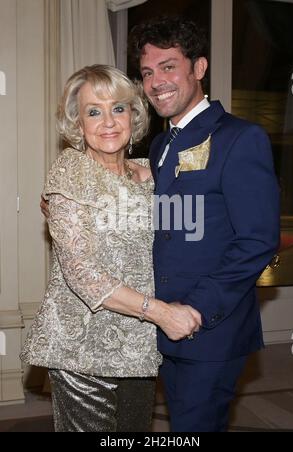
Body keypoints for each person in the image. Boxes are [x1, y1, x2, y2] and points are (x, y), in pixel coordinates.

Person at [21, 64, 201, 432]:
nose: (108, 121)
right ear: (78, 122)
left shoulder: (151, 172)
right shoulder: (70, 172)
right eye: (93, 111)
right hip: (83, 347)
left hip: (139, 345)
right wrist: (163, 314)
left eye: (118, 108)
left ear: (133, 115)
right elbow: (83, 273)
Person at [127, 17, 281, 432]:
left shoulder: (240, 138)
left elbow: (257, 241)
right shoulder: (160, 144)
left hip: (210, 326)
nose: (156, 81)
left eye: (169, 66)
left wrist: (195, 309)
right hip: (162, 322)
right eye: (147, 72)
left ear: (199, 68)